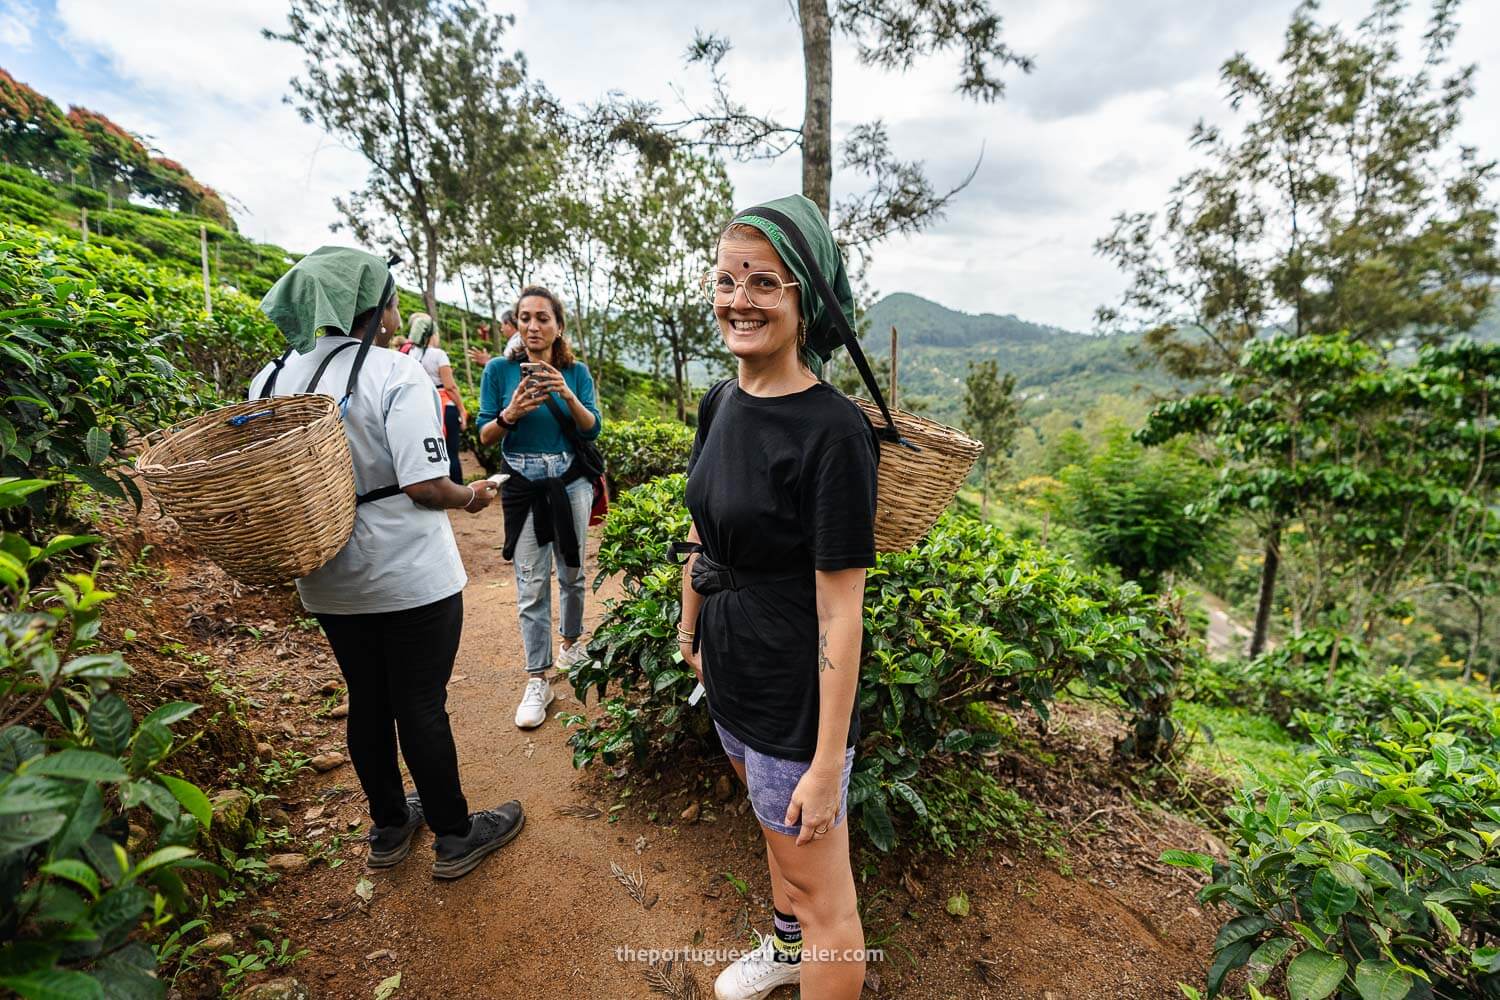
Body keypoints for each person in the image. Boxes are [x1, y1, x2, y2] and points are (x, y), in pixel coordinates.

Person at [251, 246, 524, 881]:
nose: (399, 309)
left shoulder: (272, 379)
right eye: (394, 297)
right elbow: (427, 485)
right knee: (421, 702)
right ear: (371, 308)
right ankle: (456, 834)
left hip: (325, 574)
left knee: (367, 698)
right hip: (408, 574)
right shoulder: (395, 375)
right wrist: (474, 496)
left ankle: (389, 825)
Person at [676, 197, 879, 1000]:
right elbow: (703, 528)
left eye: (765, 281)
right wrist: (690, 624)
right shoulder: (720, 402)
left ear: (805, 300)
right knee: (773, 840)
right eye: (727, 279)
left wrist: (828, 763)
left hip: (796, 696)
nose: (740, 298)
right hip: (731, 671)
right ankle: (786, 950)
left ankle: (810, 950)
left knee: (828, 897)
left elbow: (841, 610)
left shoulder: (833, 432)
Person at [476, 287, 602, 730]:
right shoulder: (497, 370)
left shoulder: (576, 371)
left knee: (572, 571)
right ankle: (537, 678)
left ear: (558, 325)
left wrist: (566, 393)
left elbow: (593, 429)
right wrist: (510, 413)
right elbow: (485, 435)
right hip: (524, 485)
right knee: (531, 582)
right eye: (525, 317)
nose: (533, 326)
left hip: (570, 482)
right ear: (517, 323)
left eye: (543, 318)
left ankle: (571, 644)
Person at [402, 312, 467, 484]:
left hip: (422, 406)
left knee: (432, 451)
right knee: (451, 451)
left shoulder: (410, 355)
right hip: (445, 405)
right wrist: (461, 409)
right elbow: (450, 386)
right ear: (431, 333)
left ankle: (439, 487)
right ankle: (457, 488)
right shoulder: (438, 354)